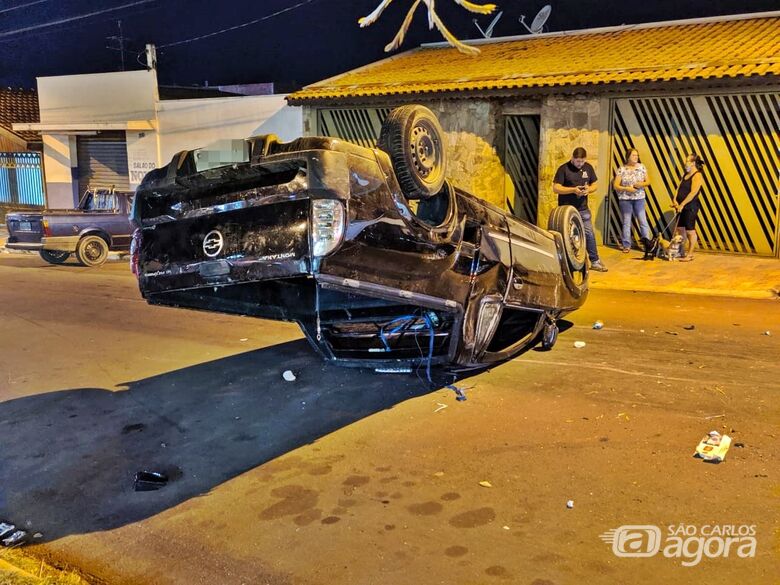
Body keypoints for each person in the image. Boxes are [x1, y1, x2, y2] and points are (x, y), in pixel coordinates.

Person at [553, 147, 607, 271]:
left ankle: (595, 261)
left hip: (583, 209)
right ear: (572, 158)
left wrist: (588, 190)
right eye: (578, 161)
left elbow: (595, 184)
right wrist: (573, 190)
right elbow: (556, 188)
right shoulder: (563, 169)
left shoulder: (588, 168)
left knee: (588, 233)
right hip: (566, 209)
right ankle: (565, 262)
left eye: (582, 161)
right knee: (566, 235)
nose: (580, 164)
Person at [612, 148, 651, 253]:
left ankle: (647, 244)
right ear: (628, 156)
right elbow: (615, 185)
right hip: (625, 199)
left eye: (637, 155)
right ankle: (626, 245)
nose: (636, 157)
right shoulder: (622, 169)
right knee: (626, 221)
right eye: (633, 155)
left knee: (642, 221)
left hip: (639, 198)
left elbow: (648, 181)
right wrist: (626, 188)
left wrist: (641, 184)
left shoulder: (641, 167)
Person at [671, 154, 705, 262]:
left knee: (690, 230)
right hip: (680, 206)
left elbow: (693, 192)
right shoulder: (685, 174)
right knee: (680, 229)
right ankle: (681, 251)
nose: (685, 163)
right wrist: (675, 200)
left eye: (687, 161)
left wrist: (682, 204)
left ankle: (690, 254)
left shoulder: (697, 175)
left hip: (690, 206)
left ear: (693, 163)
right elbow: (679, 188)